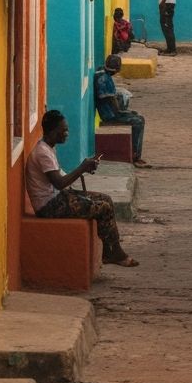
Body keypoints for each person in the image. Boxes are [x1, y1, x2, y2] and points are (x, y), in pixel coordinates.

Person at [25, 109, 138, 267]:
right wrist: (82, 168)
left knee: (106, 199)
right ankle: (114, 252)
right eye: (63, 130)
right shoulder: (42, 153)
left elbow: (60, 178)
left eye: (67, 129)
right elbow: (59, 183)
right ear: (51, 131)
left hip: (56, 198)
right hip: (49, 206)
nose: (66, 133)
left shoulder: (48, 148)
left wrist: (85, 167)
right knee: (103, 207)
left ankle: (111, 250)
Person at [94, 54, 150, 168]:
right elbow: (113, 103)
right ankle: (135, 156)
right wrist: (124, 112)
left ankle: (136, 155)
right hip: (109, 114)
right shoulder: (105, 79)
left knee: (136, 116)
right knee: (138, 121)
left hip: (108, 111)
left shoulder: (100, 72)